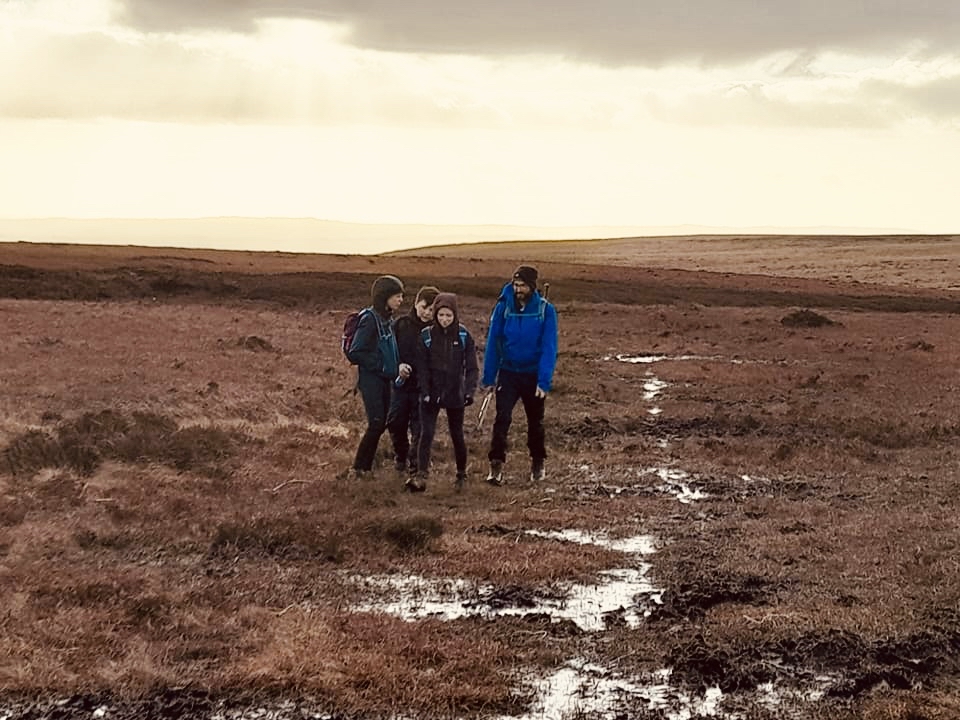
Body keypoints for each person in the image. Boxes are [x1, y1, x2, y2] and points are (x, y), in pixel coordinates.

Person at [480, 265, 558, 485]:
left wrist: (543, 381)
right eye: (515, 284)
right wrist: (489, 377)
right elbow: (494, 342)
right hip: (508, 372)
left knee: (535, 421)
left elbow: (549, 347)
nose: (518, 289)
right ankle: (495, 467)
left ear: (532, 286)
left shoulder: (546, 310)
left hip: (532, 374)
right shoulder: (503, 307)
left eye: (522, 285)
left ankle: (537, 464)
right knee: (502, 419)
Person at [411, 292, 479, 492]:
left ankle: (461, 475)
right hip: (431, 393)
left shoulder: (464, 335)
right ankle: (421, 476)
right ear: (435, 314)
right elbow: (421, 367)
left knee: (457, 434)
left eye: (449, 316)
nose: (444, 320)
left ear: (455, 315)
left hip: (454, 393)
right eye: (441, 315)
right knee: (427, 433)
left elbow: (472, 367)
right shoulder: (426, 336)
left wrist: (469, 391)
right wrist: (424, 391)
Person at [346, 275, 407, 478]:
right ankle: (359, 468)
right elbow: (356, 351)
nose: (401, 300)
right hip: (371, 380)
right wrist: (381, 366)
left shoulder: (386, 319)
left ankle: (364, 469)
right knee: (376, 423)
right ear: (384, 297)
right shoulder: (370, 320)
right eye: (397, 296)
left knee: (380, 423)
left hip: (384, 379)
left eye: (401, 296)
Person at [387, 285, 440, 476]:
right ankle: (400, 455)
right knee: (395, 422)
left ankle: (416, 465)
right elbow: (388, 351)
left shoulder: (437, 331)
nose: (427, 312)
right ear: (416, 303)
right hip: (401, 385)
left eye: (432, 309)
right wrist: (398, 366)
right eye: (424, 307)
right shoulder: (400, 325)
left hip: (424, 388)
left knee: (421, 426)